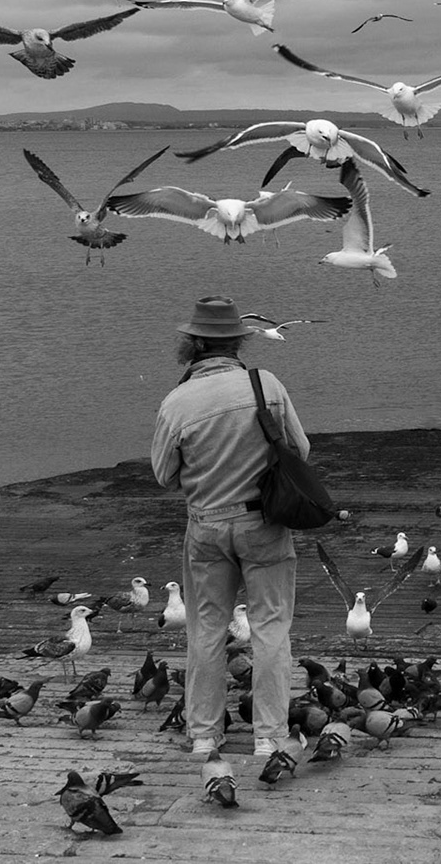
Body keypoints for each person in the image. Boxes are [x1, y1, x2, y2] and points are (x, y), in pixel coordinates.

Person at [151, 294, 310, 778]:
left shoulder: (177, 401)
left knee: (206, 630)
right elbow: (300, 449)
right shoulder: (266, 385)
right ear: (237, 342)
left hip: (206, 526)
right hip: (264, 524)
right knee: (270, 629)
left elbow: (164, 475)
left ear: (193, 344)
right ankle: (268, 737)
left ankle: (204, 735)